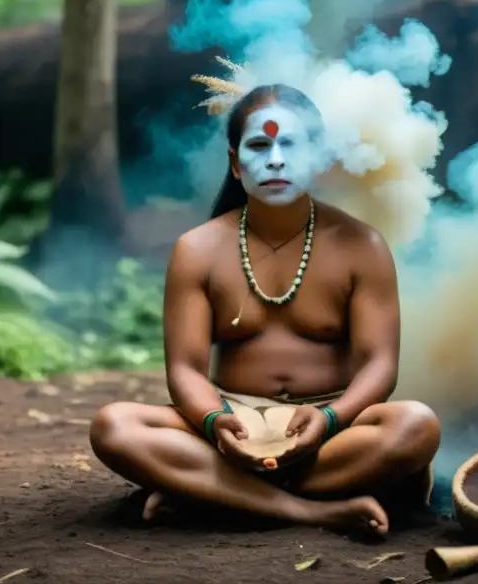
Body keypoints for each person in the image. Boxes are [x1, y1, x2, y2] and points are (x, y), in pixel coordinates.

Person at [89, 81, 442, 535]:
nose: (275, 159)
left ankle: (215, 495)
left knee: (415, 424)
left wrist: (330, 418)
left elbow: (380, 367)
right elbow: (185, 371)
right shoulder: (197, 250)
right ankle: (311, 509)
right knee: (114, 426)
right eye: (259, 145)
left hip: (326, 426)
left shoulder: (362, 246)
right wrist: (217, 421)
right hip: (228, 424)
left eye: (291, 144)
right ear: (236, 165)